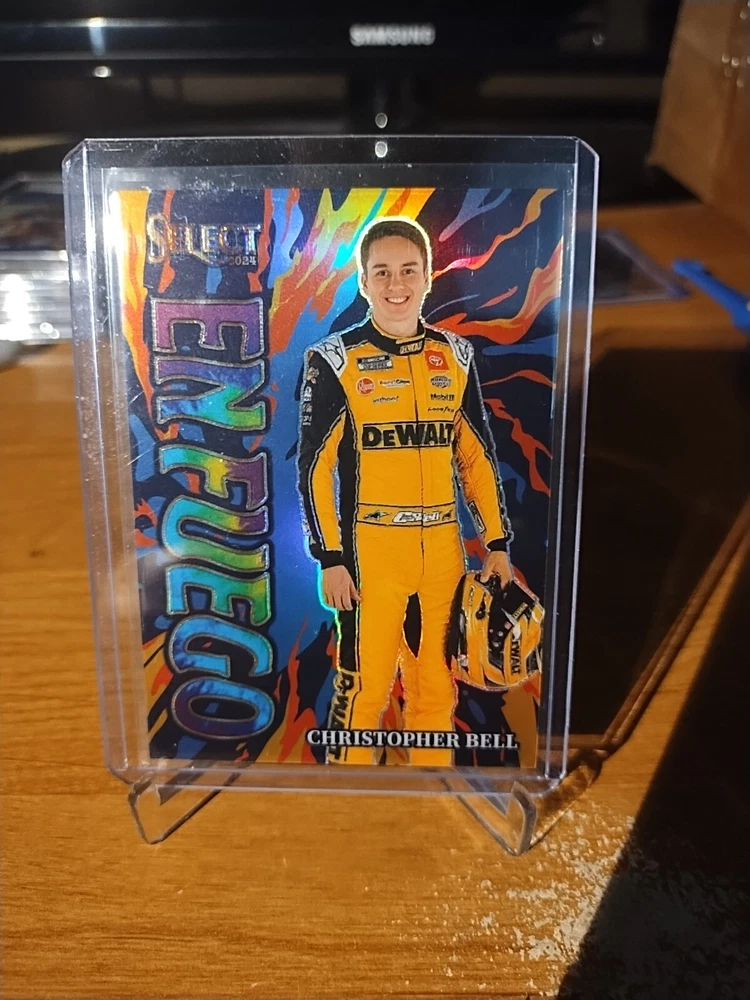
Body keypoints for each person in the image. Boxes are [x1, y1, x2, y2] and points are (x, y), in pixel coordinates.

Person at [297, 216, 513, 765]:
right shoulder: (334, 360)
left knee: (437, 687)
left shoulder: (456, 356)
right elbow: (315, 469)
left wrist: (496, 542)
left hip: (443, 550)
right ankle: (351, 800)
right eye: (383, 272)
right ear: (364, 282)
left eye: (409, 270)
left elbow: (476, 457)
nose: (397, 284)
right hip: (372, 552)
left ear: (429, 277)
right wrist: (331, 558)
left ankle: (430, 794)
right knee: (366, 688)